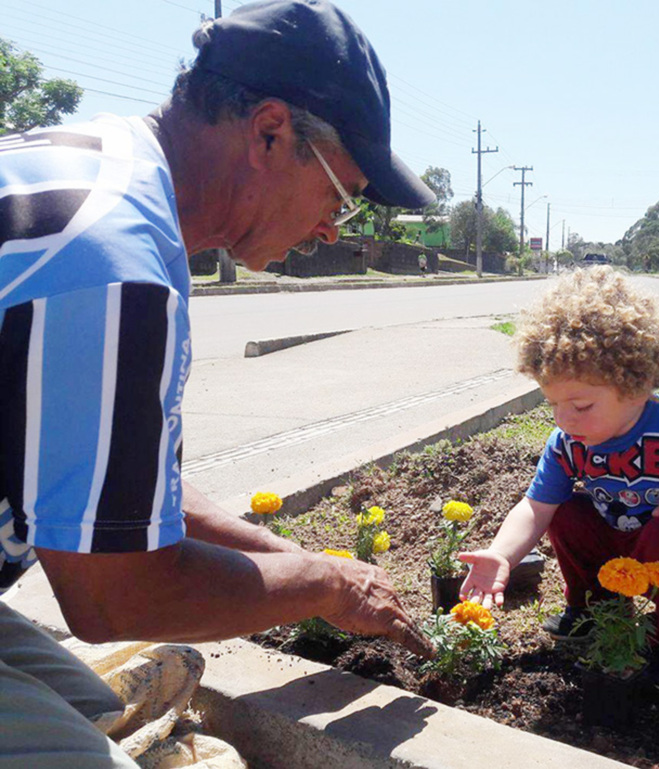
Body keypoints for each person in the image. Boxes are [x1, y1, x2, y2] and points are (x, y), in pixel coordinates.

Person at [0, 2, 434, 765]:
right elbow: (114, 596)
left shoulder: (104, 175)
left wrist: (292, 557)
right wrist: (320, 585)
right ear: (269, 131)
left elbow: (124, 486)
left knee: (97, 709)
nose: (336, 227)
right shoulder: (112, 268)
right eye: (343, 192)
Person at [458, 267, 659, 696]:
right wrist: (501, 554)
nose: (564, 419)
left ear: (637, 385)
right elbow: (536, 506)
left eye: (582, 404)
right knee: (569, 512)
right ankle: (596, 608)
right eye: (553, 403)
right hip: (625, 543)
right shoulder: (568, 443)